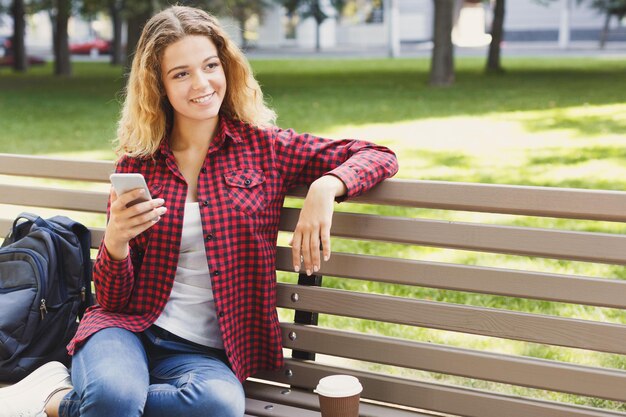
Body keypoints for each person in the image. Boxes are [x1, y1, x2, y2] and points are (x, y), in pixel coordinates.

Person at [0, 5, 398, 417]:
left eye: (210, 65)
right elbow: (114, 300)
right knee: (114, 399)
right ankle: (94, 398)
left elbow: (377, 154)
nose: (202, 83)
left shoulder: (265, 148)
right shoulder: (139, 164)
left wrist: (326, 186)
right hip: (126, 330)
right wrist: (116, 243)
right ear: (159, 86)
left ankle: (57, 402)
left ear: (227, 66)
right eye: (181, 73)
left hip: (203, 353)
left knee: (217, 405)